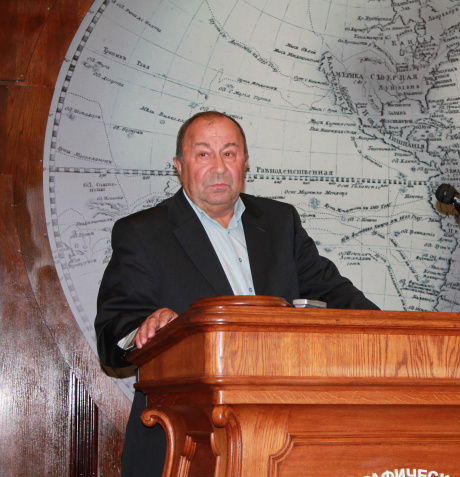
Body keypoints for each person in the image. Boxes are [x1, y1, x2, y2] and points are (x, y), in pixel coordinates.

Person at [95, 110, 379, 476]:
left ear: (245, 162)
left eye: (229, 153)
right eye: (203, 154)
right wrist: (145, 328)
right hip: (186, 446)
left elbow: (335, 292)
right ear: (179, 166)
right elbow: (113, 333)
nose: (219, 167)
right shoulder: (142, 233)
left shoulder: (280, 222)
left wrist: (390, 333)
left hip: (282, 442)